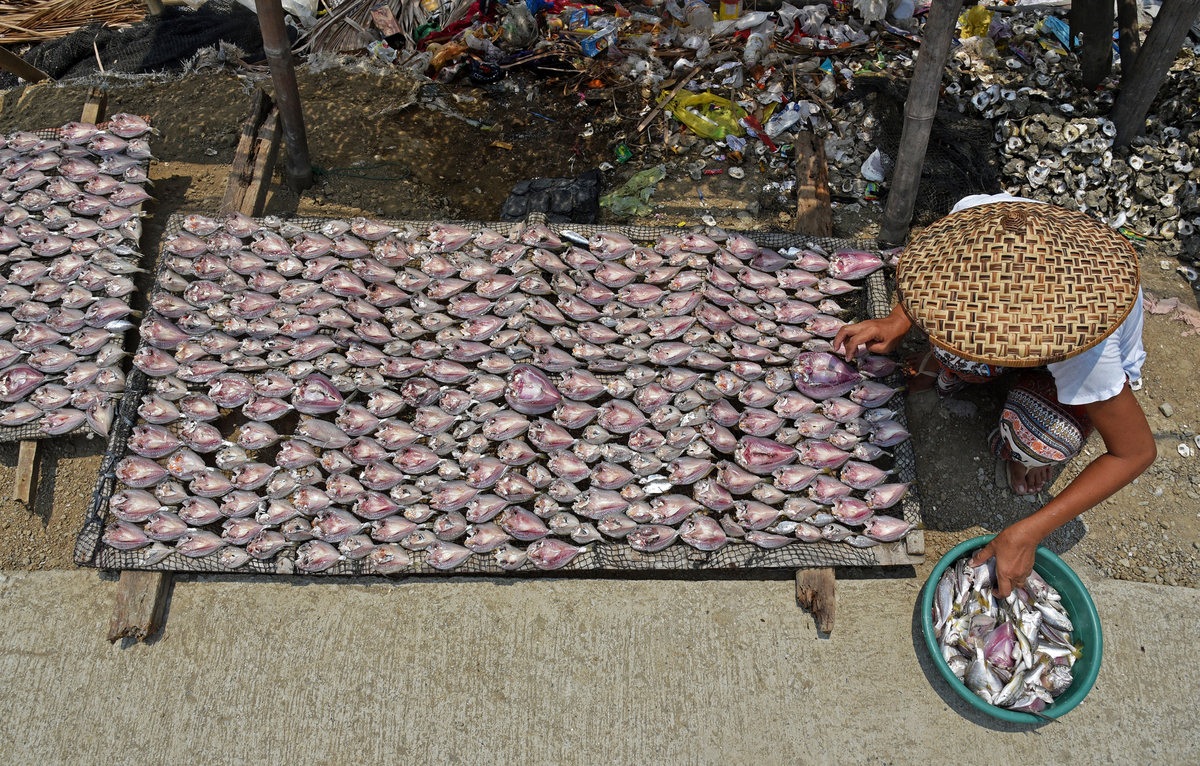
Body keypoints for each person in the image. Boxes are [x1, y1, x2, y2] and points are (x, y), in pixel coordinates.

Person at [833, 195, 1156, 597]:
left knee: (1037, 436)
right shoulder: (977, 219)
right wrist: (898, 320)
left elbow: (1135, 453)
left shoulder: (1086, 346)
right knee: (953, 353)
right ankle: (982, 371)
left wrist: (1030, 531)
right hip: (1036, 326)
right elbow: (931, 275)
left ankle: (1022, 444)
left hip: (1069, 358)